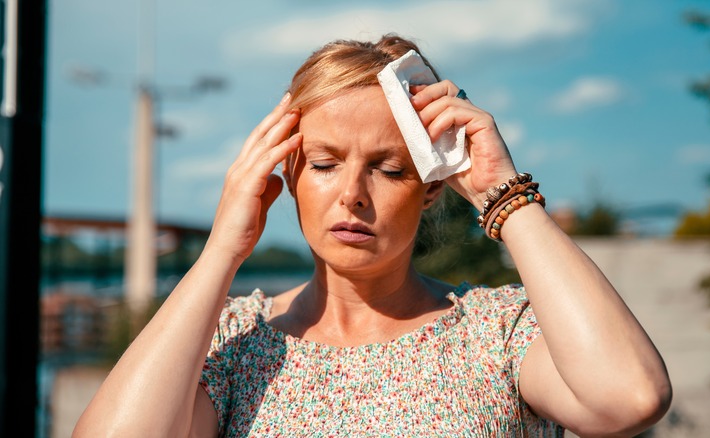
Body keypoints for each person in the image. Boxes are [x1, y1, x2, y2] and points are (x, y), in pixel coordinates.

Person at [73, 34, 671, 437]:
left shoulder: (498, 333)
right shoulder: (233, 345)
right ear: (288, 172)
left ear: (432, 186)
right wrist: (222, 250)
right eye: (326, 163)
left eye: (388, 169)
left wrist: (504, 194)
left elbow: (630, 398)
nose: (353, 194)